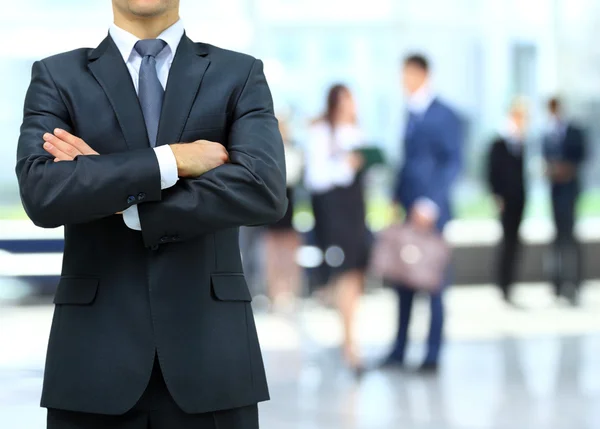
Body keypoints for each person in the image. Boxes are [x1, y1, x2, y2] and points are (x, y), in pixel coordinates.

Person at [15, 1, 287, 428]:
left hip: (212, 358)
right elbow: (43, 194)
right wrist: (171, 161)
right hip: (93, 362)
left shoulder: (239, 74)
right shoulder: (57, 77)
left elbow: (262, 189)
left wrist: (119, 193)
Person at [384, 54, 463, 373]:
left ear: (423, 74)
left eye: (408, 74)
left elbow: (452, 162)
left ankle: (432, 354)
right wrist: (395, 199)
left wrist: (431, 202)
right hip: (407, 211)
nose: (404, 80)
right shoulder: (410, 113)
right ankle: (399, 350)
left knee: (434, 283)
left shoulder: (445, 115)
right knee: (403, 281)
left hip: (432, 213)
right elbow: (407, 162)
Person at [305, 84, 368, 373]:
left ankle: (350, 334)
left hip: (356, 208)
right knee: (344, 272)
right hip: (334, 210)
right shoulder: (320, 133)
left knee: (355, 274)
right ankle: (349, 342)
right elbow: (317, 178)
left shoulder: (356, 131)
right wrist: (345, 165)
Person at [542, 97, 587, 305]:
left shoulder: (574, 131)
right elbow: (545, 160)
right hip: (555, 190)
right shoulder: (547, 134)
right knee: (558, 237)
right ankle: (558, 284)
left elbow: (583, 156)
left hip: (570, 189)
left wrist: (567, 169)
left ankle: (575, 283)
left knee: (571, 236)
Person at [487, 98, 529, 306]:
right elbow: (492, 171)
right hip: (506, 199)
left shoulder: (521, 141)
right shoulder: (500, 141)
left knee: (514, 242)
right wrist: (496, 195)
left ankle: (509, 283)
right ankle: (503, 284)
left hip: (519, 198)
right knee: (507, 242)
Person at [264, 118, 303, 312]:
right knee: (273, 253)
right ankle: (275, 293)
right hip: (272, 208)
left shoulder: (292, 152)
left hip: (288, 207)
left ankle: (289, 292)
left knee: (288, 253)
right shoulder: (267, 151)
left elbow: (293, 176)